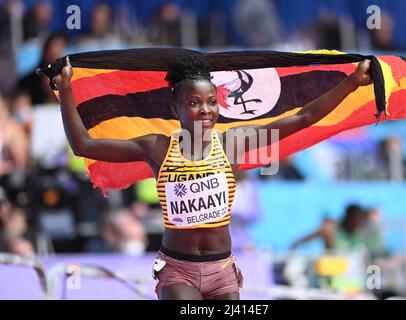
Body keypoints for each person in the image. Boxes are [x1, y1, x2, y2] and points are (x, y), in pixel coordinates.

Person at [54, 54, 371, 300]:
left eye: (211, 102)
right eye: (194, 103)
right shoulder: (157, 147)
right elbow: (84, 144)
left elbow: (304, 116)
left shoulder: (234, 143)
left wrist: (353, 82)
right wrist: (66, 88)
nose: (205, 110)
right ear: (174, 105)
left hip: (222, 270)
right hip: (178, 270)